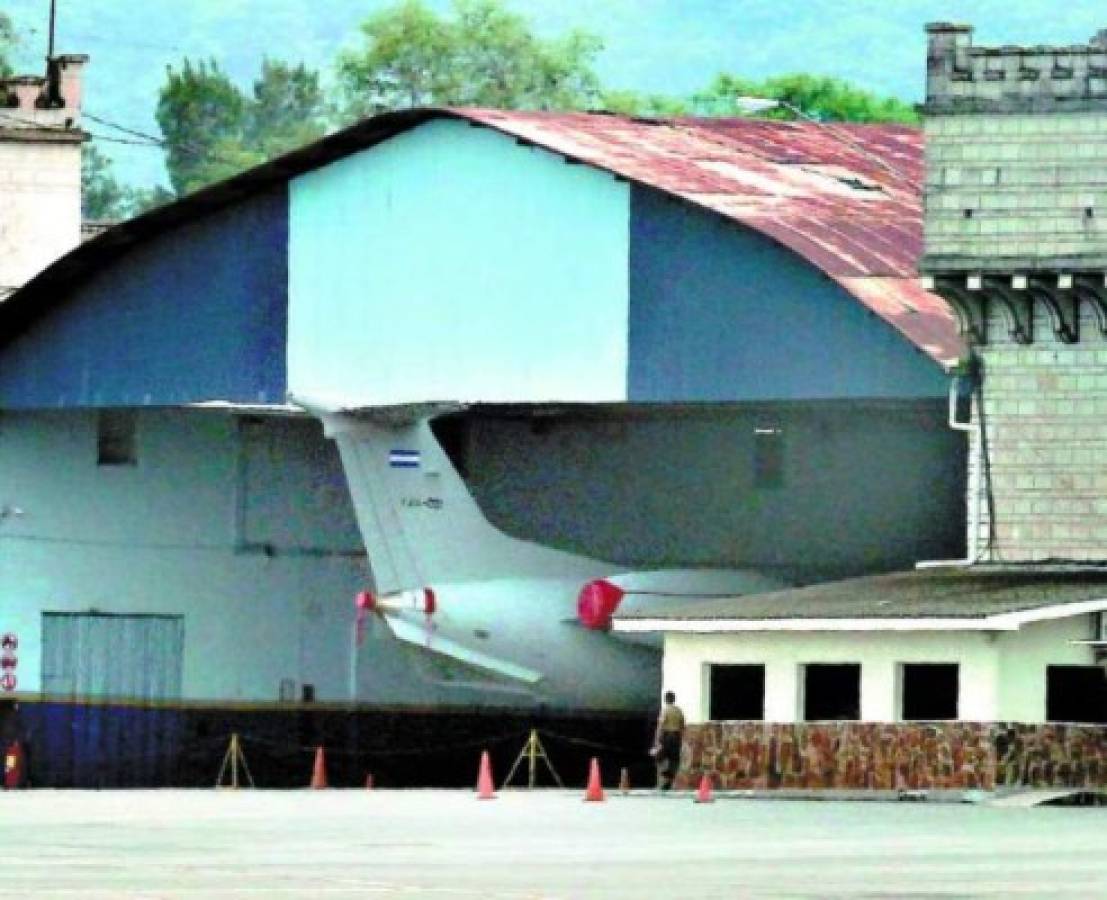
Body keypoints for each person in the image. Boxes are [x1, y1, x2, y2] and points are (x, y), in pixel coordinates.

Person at [652, 690, 685, 790]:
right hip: (677, 737)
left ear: (666, 700)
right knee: (674, 760)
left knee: (659, 757)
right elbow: (682, 726)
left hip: (667, 736)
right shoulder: (679, 711)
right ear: (674, 699)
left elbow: (661, 725)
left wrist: (656, 740)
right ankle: (668, 781)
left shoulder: (665, 710)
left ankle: (663, 778)